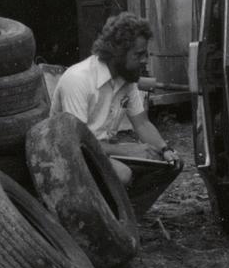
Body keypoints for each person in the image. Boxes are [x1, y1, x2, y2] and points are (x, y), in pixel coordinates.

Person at [49, 12, 181, 203]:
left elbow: (142, 123)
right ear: (117, 52)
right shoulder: (78, 79)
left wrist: (165, 149)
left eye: (145, 54)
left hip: (102, 151)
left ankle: (126, 213)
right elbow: (77, 143)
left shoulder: (126, 78)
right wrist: (127, 150)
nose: (144, 60)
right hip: (71, 155)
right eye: (138, 54)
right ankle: (101, 213)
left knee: (172, 165)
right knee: (122, 174)